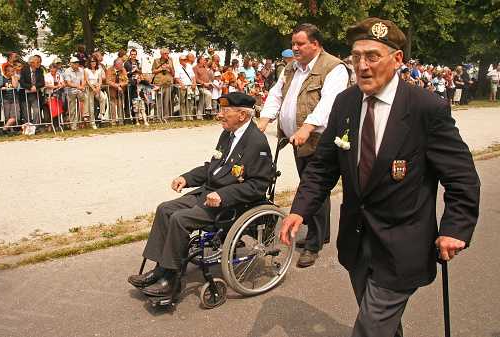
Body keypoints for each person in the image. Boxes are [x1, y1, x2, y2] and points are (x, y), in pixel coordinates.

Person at [278, 18, 480, 336]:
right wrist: (300, 208)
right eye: (356, 57)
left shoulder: (427, 109)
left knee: (370, 329)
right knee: (382, 326)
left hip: (403, 247)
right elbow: (323, 167)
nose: (362, 65)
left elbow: (461, 177)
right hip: (357, 242)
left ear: (397, 59)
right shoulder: (345, 104)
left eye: (372, 56)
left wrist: (455, 228)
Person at [127, 92, 273, 296]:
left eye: (225, 111)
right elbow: (213, 168)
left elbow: (258, 185)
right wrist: (186, 178)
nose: (220, 115)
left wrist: (225, 195)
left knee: (179, 218)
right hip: (209, 193)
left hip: (231, 204)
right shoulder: (228, 134)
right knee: (165, 209)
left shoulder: (257, 143)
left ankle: (170, 278)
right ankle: (160, 268)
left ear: (242, 115)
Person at [257, 23, 351, 267]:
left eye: (299, 44)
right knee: (309, 185)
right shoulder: (291, 67)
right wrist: (264, 120)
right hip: (297, 139)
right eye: (293, 44)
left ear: (315, 44)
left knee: (314, 189)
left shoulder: (333, 67)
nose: (294, 48)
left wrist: (307, 128)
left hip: (318, 138)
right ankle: (320, 234)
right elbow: (277, 95)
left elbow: (329, 103)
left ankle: (313, 245)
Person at [65, 57, 91, 130]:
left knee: (86, 97)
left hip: (79, 91)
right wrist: (78, 86)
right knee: (72, 109)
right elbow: (69, 83)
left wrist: (82, 85)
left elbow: (83, 79)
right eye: (74, 62)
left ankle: (85, 115)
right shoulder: (67, 71)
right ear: (70, 64)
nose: (76, 63)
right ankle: (74, 126)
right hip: (70, 92)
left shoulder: (81, 70)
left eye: (77, 62)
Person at [19, 55, 45, 126]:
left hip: (35, 94)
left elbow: (42, 83)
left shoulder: (40, 70)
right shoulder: (24, 70)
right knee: (26, 112)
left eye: (39, 62)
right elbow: (22, 82)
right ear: (31, 63)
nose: (39, 63)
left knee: (36, 111)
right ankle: (28, 126)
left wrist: (35, 86)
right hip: (25, 94)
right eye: (37, 62)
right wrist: (31, 87)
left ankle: (36, 127)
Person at [151, 48, 175, 118]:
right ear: (161, 54)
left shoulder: (170, 62)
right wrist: (161, 69)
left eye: (168, 53)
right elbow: (153, 71)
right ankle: (158, 117)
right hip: (159, 84)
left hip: (167, 84)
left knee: (166, 102)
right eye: (165, 53)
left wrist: (170, 69)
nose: (167, 55)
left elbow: (173, 74)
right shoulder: (156, 61)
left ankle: (166, 117)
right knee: (159, 101)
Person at [105, 58, 128, 126]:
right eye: (121, 65)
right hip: (112, 90)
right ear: (116, 65)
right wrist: (115, 85)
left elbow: (126, 80)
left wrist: (120, 85)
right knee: (112, 105)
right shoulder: (109, 70)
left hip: (120, 91)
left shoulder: (123, 70)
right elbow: (108, 81)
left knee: (120, 104)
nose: (122, 66)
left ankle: (121, 121)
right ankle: (113, 122)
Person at [84, 56, 107, 124]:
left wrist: (98, 87)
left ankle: (101, 113)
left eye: (94, 61)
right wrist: (93, 88)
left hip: (96, 87)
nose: (93, 63)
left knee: (103, 98)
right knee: (91, 105)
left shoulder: (98, 70)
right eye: (92, 61)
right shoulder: (86, 70)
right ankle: (92, 122)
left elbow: (100, 80)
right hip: (90, 88)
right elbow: (87, 80)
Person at [44, 63, 65, 132]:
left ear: (56, 69)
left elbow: (63, 84)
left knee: (57, 111)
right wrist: (55, 87)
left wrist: (60, 85)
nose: (52, 70)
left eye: (53, 68)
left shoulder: (59, 75)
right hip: (49, 95)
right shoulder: (47, 75)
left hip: (57, 95)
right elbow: (46, 84)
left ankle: (57, 126)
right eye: (51, 68)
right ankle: (49, 126)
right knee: (48, 111)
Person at [175, 55, 196, 121]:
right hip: (182, 87)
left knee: (190, 101)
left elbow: (193, 76)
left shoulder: (189, 67)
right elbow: (177, 78)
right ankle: (183, 117)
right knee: (182, 102)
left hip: (189, 86)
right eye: (183, 59)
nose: (184, 61)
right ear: (180, 60)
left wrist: (194, 83)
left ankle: (190, 116)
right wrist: (182, 85)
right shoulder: (178, 68)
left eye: (185, 59)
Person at [1, 65, 20, 135]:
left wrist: (13, 77)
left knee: (15, 115)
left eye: (14, 71)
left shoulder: (14, 77)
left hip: (14, 98)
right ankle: (10, 130)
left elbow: (15, 86)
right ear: (7, 72)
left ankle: (5, 128)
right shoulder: (2, 78)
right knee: (8, 115)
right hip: (6, 98)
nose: (14, 72)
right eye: (12, 71)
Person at [124, 49, 141, 123]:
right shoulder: (127, 63)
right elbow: (125, 74)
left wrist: (139, 73)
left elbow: (140, 72)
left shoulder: (138, 63)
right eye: (132, 54)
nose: (133, 56)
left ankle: (135, 119)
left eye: (134, 54)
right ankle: (127, 119)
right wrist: (132, 71)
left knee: (135, 102)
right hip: (129, 83)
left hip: (136, 84)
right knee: (128, 102)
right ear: (130, 55)